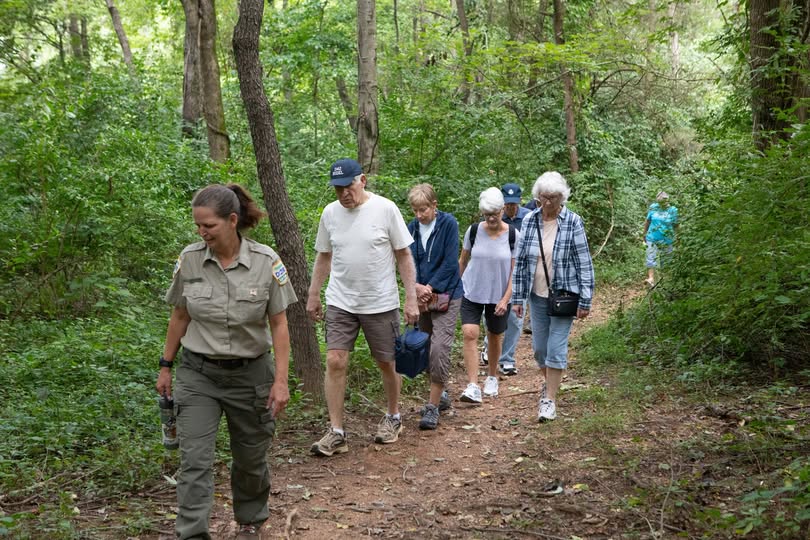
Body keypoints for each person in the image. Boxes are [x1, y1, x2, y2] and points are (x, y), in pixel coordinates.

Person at [156, 184, 297, 540]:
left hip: (251, 376)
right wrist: (165, 365)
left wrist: (281, 381)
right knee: (195, 461)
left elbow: (279, 326)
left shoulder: (267, 262)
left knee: (250, 459)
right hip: (198, 375)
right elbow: (179, 317)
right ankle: (192, 533)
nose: (201, 233)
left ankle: (250, 521)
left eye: (209, 226)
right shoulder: (189, 260)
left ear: (232, 221)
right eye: (197, 226)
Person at [307, 158, 419, 456]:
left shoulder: (385, 208)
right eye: (338, 189)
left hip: (379, 301)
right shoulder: (330, 214)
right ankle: (337, 432)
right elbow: (324, 256)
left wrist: (410, 297)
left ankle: (393, 416)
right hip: (341, 300)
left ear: (363, 180)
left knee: (387, 362)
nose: (344, 193)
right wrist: (314, 293)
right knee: (335, 360)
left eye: (349, 186)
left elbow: (404, 255)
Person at [511, 172, 594, 422]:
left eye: (554, 198)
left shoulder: (573, 222)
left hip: (565, 294)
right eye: (544, 197)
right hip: (536, 295)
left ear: (562, 197)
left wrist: (586, 299)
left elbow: (584, 262)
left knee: (555, 349)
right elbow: (521, 262)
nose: (548, 203)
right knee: (539, 350)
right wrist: (517, 298)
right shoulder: (529, 221)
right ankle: (550, 386)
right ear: (537, 197)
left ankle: (549, 400)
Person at [406, 184, 463, 430]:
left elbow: (452, 262)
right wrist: (416, 288)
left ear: (434, 205)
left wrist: (430, 286)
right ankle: (441, 393)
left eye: (424, 209)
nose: (420, 215)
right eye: (416, 210)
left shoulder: (448, 225)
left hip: (448, 294)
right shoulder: (411, 229)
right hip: (422, 296)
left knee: (440, 346)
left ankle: (431, 407)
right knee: (426, 346)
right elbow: (407, 260)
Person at [458, 187, 518, 404]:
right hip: (472, 291)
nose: (491, 218)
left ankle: (492, 375)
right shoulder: (473, 231)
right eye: (487, 215)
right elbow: (463, 261)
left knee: (494, 335)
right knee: (470, 333)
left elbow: (515, 272)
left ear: (503, 210)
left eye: (495, 214)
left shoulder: (513, 235)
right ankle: (473, 385)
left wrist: (505, 299)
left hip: (499, 295)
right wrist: (456, 287)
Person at [643, 191, 678, 287]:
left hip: (667, 239)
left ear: (667, 201)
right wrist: (644, 234)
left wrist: (678, 237)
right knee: (650, 258)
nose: (662, 204)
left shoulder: (673, 210)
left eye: (663, 202)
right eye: (660, 202)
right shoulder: (653, 207)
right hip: (652, 237)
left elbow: (676, 225)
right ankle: (651, 279)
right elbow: (648, 221)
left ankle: (665, 281)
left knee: (666, 261)